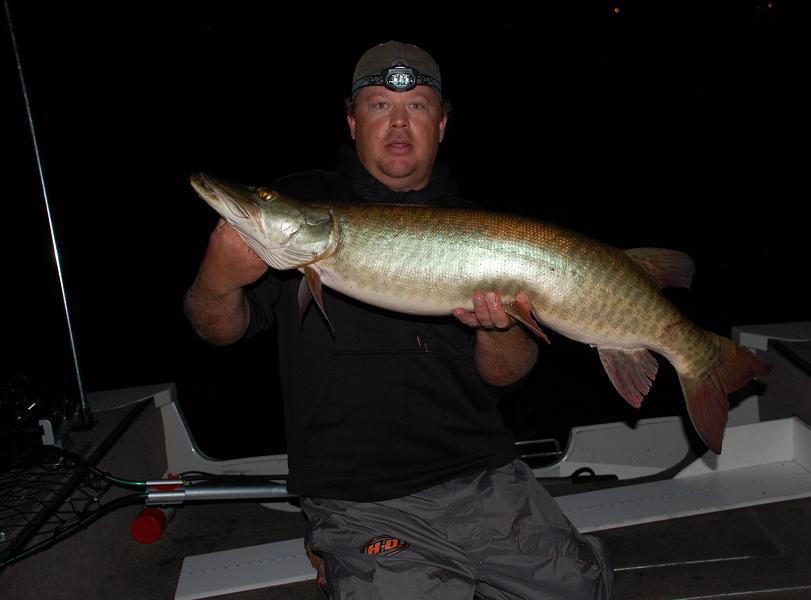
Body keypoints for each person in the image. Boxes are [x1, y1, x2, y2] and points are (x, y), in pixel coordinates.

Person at [184, 40, 612, 599]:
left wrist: (501, 327)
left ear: (442, 124)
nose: (399, 123)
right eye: (380, 105)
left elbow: (505, 375)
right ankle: (335, 545)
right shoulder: (305, 200)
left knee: (583, 589)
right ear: (352, 121)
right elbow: (217, 328)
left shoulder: (483, 230)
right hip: (358, 496)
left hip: (481, 475)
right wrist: (217, 279)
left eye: (417, 106)